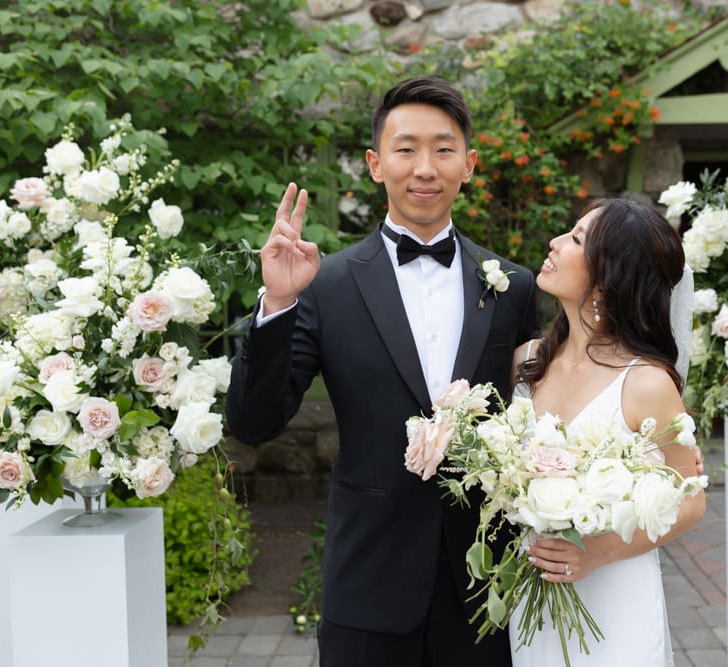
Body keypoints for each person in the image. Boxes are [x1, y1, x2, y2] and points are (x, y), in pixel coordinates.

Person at [225, 76, 539, 667]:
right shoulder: (327, 284)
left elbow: (539, 411)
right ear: (375, 164)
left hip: (482, 584)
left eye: (444, 149)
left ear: (469, 165)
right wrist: (276, 305)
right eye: (405, 149)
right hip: (367, 580)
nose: (425, 167)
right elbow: (253, 422)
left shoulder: (513, 286)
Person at [509, 198, 707, 666]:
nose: (554, 243)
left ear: (609, 276)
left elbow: (691, 499)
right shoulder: (526, 361)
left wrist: (597, 552)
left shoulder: (647, 384)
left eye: (576, 239)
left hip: (614, 596)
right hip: (533, 593)